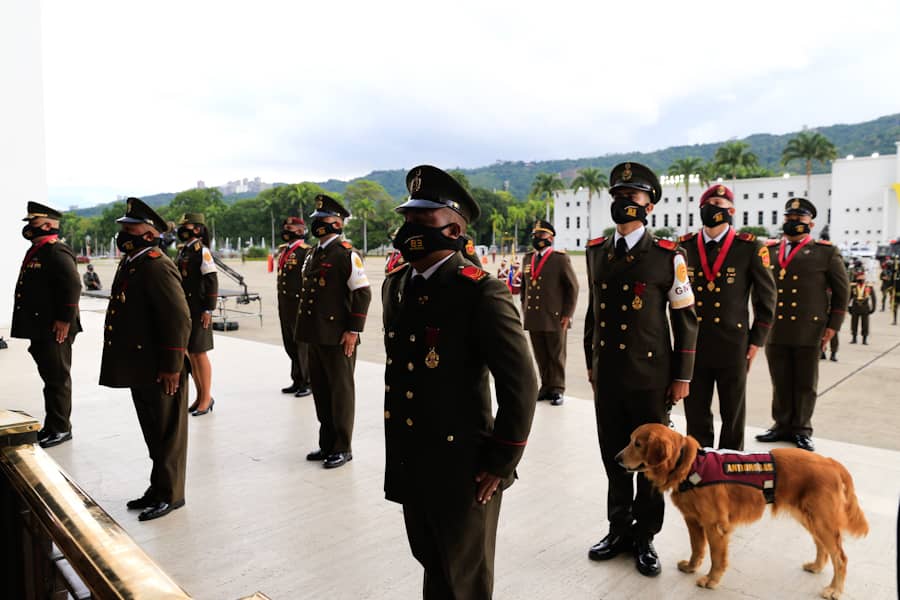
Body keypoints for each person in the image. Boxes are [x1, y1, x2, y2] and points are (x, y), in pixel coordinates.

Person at [383, 164, 536, 599]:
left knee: (463, 579)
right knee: (432, 561)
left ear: (453, 230)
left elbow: (521, 384)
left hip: (462, 466)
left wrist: (502, 462)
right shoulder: (397, 285)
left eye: (422, 219)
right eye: (407, 217)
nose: (409, 228)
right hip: (412, 456)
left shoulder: (481, 292)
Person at [583, 162, 698, 577]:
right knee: (613, 457)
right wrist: (591, 364)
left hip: (651, 380)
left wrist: (682, 377)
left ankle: (645, 536)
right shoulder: (597, 251)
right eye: (617, 195)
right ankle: (617, 530)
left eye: (631, 196)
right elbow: (594, 315)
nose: (623, 202)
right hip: (609, 377)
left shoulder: (668, 255)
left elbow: (686, 319)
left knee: (652, 462)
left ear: (649, 205)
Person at [99, 197, 191, 521]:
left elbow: (179, 319)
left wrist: (172, 366)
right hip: (142, 364)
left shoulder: (157, 265)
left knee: (167, 433)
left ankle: (171, 495)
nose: (124, 233)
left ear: (150, 234)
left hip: (160, 367)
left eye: (131, 228)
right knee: (153, 431)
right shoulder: (133, 262)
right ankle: (158, 487)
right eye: (124, 228)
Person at [680, 184, 776, 450]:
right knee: (695, 409)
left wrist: (756, 340)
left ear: (731, 211)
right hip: (694, 342)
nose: (713, 209)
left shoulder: (749, 247)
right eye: (709, 204)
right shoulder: (685, 246)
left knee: (732, 411)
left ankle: (731, 462)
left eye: (720, 205)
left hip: (733, 343)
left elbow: (766, 297)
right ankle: (699, 460)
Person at [756, 198, 849, 452]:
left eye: (799, 218)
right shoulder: (769, 250)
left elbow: (842, 292)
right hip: (776, 328)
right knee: (781, 380)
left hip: (810, 329)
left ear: (811, 223)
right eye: (789, 218)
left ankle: (802, 429)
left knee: (805, 383)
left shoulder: (825, 252)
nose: (793, 222)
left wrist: (833, 325)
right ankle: (781, 425)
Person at [296, 194, 371, 469]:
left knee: (340, 393)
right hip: (315, 333)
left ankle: (342, 447)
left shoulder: (346, 253)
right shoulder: (314, 253)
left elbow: (362, 293)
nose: (317, 223)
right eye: (316, 219)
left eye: (323, 219)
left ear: (338, 223)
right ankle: (326, 443)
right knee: (321, 391)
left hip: (339, 336)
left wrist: (353, 330)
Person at [12, 201, 82, 448]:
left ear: (48, 225)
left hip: (56, 328)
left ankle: (61, 428)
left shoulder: (56, 251)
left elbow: (72, 286)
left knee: (57, 379)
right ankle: (53, 425)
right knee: (51, 378)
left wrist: (64, 319)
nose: (29, 226)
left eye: (34, 222)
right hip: (43, 326)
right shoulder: (39, 250)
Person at [520, 219, 579, 406]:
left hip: (555, 316)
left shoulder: (559, 259)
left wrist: (567, 314)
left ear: (551, 238)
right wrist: (524, 307)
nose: (538, 238)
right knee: (541, 355)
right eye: (535, 235)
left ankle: (557, 389)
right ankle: (545, 386)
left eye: (542, 234)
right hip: (534, 316)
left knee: (556, 355)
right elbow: (524, 287)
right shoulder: (528, 258)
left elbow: (572, 288)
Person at [175, 213, 218, 416]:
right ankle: (201, 396)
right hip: (187, 308)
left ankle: (206, 397)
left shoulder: (203, 251)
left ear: (198, 229)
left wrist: (209, 308)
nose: (184, 229)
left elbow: (211, 280)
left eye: (188, 226)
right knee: (191, 354)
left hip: (200, 309)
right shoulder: (185, 250)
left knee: (199, 354)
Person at [276, 216, 312, 397]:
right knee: (289, 342)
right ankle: (297, 379)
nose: (286, 230)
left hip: (298, 303)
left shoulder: (305, 251)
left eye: (290, 228)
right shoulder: (285, 250)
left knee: (302, 345)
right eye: (285, 227)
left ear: (300, 230)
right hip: (285, 303)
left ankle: (308, 381)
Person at [848, 272, 876, 344]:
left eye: (862, 277)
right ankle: (854, 338)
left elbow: (873, 298)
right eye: (859, 277)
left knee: (865, 324)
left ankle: (864, 339)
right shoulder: (853, 286)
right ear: (857, 278)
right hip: (855, 307)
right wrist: (848, 307)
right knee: (854, 323)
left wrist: (873, 308)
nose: (861, 278)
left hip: (865, 307)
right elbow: (849, 297)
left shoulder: (868, 287)